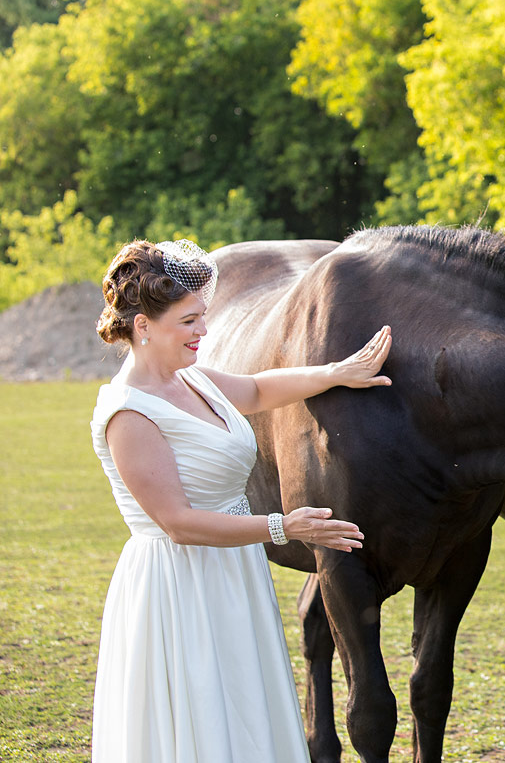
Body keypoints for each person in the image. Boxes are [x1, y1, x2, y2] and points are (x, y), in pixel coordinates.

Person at [89, 239, 393, 762]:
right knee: (198, 715)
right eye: (188, 322)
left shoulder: (192, 380)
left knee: (244, 710)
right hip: (179, 583)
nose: (203, 331)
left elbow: (253, 390)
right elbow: (178, 523)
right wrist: (285, 526)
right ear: (143, 327)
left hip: (232, 572)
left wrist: (334, 373)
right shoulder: (129, 413)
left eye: (202, 317)